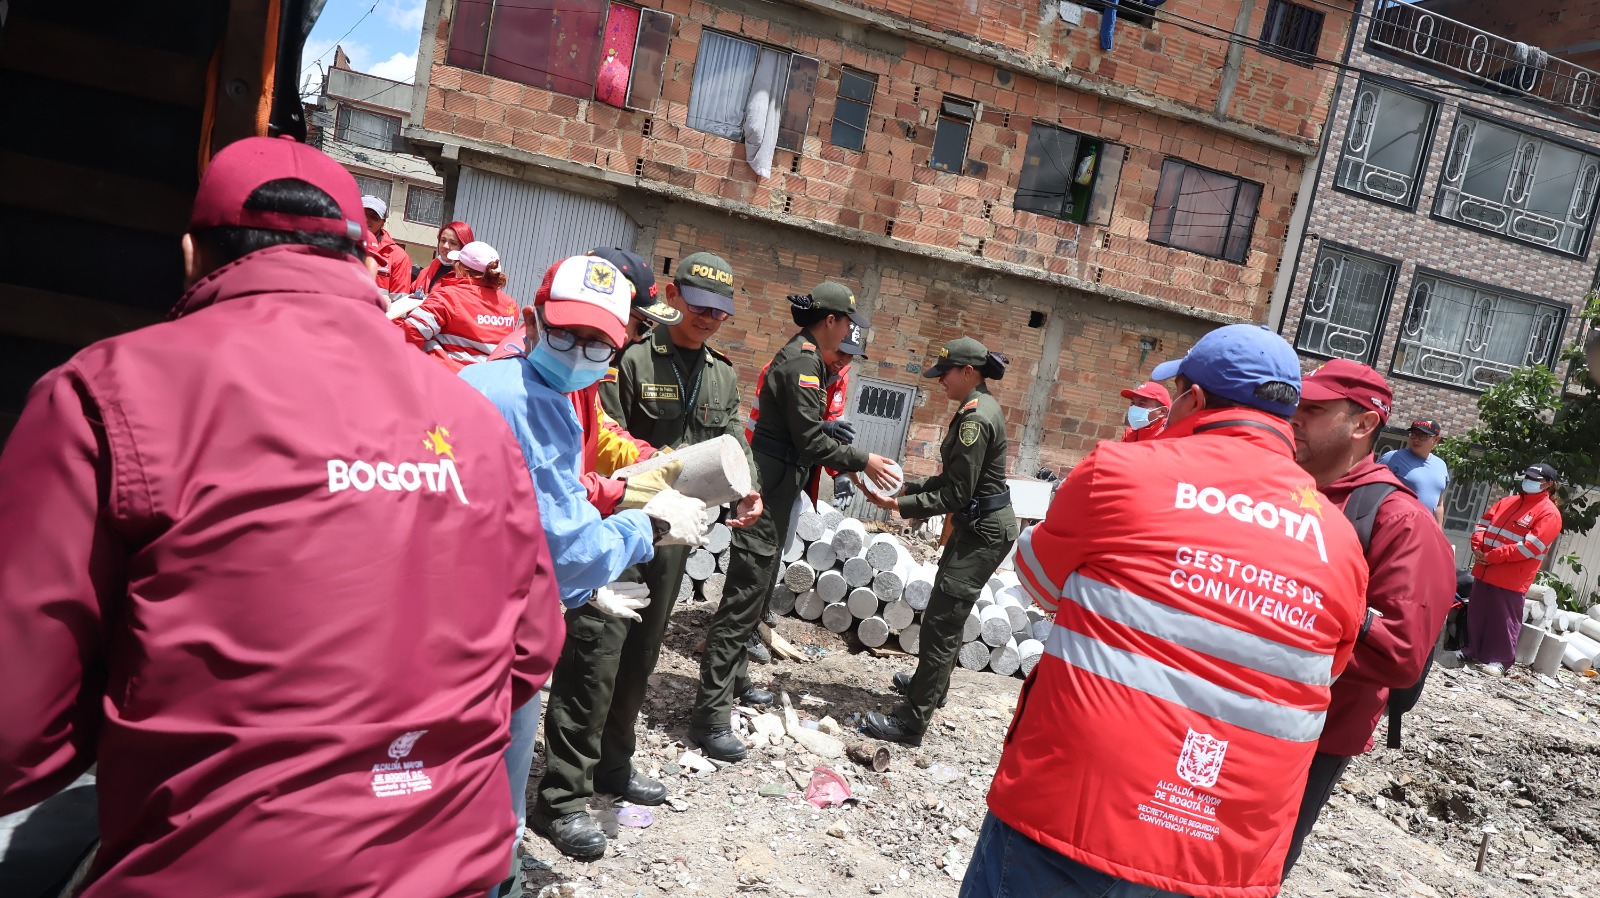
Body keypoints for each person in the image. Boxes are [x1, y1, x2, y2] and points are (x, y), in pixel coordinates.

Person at [0, 136, 566, 898]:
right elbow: (529, 652)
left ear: (193, 253)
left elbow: (18, 733)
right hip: (453, 866)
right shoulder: (473, 424)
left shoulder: (104, 394)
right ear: (362, 258)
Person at [964, 324, 1368, 898]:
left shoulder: (1120, 472)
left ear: (1194, 400)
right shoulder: (1340, 541)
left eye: (1174, 392)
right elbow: (1321, 670)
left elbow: (1038, 581)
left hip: (1073, 819)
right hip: (1223, 856)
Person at [459, 254, 713, 893]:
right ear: (532, 318)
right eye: (566, 333)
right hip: (492, 633)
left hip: (477, 606)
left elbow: (557, 493)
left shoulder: (493, 382)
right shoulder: (537, 403)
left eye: (597, 341)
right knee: (494, 781)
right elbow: (565, 543)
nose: (578, 350)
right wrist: (646, 527)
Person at [532, 251, 763, 859]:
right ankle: (562, 797)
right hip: (615, 528)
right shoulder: (626, 357)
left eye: (722, 310)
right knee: (595, 657)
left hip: (673, 533)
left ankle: (614, 767)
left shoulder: (719, 373)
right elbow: (601, 444)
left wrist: (746, 485)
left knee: (640, 654)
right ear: (677, 298)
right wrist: (636, 495)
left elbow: (733, 435)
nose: (711, 318)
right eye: (701, 305)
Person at [689, 283, 900, 762]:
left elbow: (804, 432)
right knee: (744, 595)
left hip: (781, 484)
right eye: (848, 324)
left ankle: (737, 677)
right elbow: (808, 440)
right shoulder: (803, 363)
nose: (851, 334)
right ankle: (710, 715)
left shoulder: (809, 360)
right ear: (831, 321)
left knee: (759, 588)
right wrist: (862, 459)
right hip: (771, 483)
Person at [1282, 360, 1456, 879]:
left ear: (1361, 425)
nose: (1293, 419)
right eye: (1294, 405)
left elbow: (1402, 652)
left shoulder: (1401, 521)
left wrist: (1296, 605)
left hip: (1312, 735)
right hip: (1233, 709)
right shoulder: (1284, 487)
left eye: (1313, 410)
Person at [861, 337, 1018, 746]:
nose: (940, 382)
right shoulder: (976, 408)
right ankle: (931, 690)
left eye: (945, 374)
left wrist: (900, 505)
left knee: (940, 623)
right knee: (944, 615)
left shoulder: (975, 419)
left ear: (968, 372)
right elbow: (954, 482)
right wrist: (905, 491)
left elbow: (956, 494)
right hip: (976, 527)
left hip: (982, 531)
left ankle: (912, 723)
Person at [1461, 463, 1563, 675]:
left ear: (1549, 484)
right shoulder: (1507, 501)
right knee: (1477, 613)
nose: (1529, 482)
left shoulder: (1549, 514)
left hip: (1511, 577)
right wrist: (1477, 546)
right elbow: (1482, 525)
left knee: (1504, 620)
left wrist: (1492, 556)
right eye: (1528, 477)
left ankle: (1500, 661)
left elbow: (1530, 547)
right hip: (1485, 568)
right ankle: (1472, 651)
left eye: (1535, 479)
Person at [394, 240, 518, 371]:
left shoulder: (447, 296)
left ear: (460, 268)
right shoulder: (510, 305)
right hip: (488, 383)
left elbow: (411, 330)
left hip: (447, 379)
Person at [1378, 419, 1449, 524]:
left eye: (1423, 436)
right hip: (1395, 525)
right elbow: (1372, 490)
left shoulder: (1441, 465)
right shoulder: (1392, 458)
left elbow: (1439, 504)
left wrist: (1439, 532)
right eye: (1413, 435)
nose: (1416, 440)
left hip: (1425, 530)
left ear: (1436, 439)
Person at [362, 194, 414, 294]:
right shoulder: (338, 244)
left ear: (383, 223)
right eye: (362, 214)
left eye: (374, 217)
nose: (366, 220)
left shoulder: (398, 257)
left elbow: (400, 302)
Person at [413, 219, 475, 295]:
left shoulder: (467, 279)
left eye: (453, 243)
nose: (445, 246)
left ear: (464, 247)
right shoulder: (426, 272)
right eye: (443, 240)